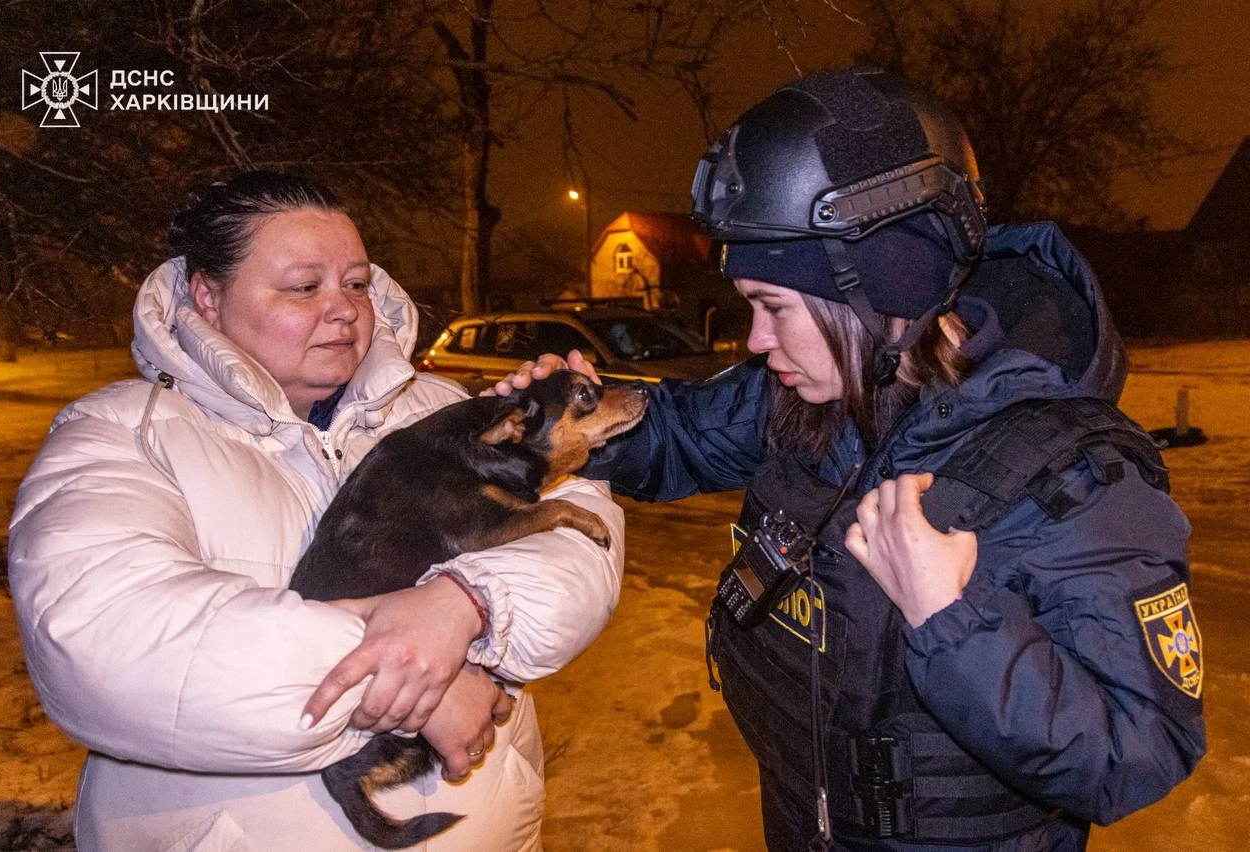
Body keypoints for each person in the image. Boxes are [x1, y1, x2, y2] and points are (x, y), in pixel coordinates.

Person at [497, 68, 1205, 850]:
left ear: (882, 288)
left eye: (774, 307)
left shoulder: (1071, 473)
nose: (756, 340)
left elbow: (1140, 749)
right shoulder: (808, 396)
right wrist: (564, 420)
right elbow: (674, 433)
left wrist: (951, 617)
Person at [8, 171, 624, 850]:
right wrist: (418, 676)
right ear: (208, 297)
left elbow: (585, 542)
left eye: (356, 284)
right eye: (304, 287)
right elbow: (108, 644)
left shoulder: (442, 410)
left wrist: (466, 603)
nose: (345, 310)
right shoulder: (123, 434)